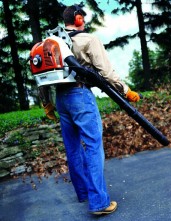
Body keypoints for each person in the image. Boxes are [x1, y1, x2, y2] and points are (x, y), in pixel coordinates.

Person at [44, 4, 140, 215]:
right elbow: (105, 71)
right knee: (93, 147)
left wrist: (46, 102)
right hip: (80, 95)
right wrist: (126, 90)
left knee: (73, 148)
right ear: (78, 19)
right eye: (83, 19)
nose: (84, 23)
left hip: (60, 98)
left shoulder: (52, 43)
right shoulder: (87, 39)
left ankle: (84, 193)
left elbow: (41, 74)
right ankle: (99, 203)